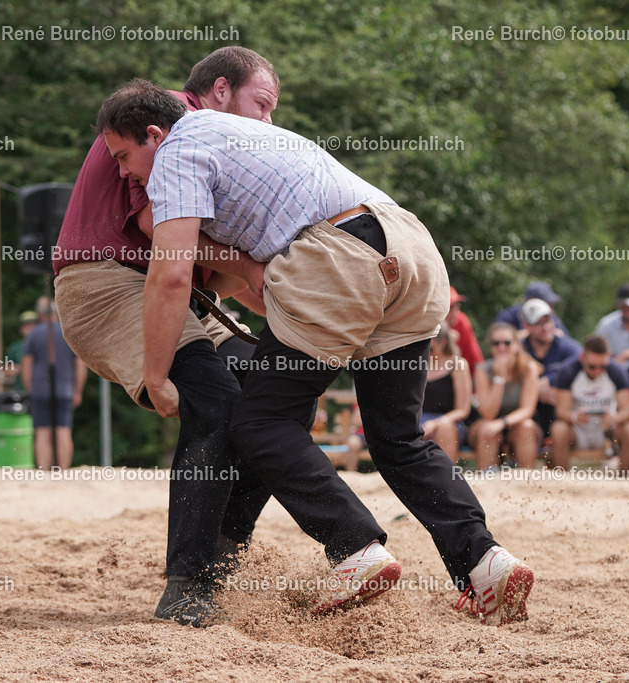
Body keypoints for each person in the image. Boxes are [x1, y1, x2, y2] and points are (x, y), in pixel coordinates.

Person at [97, 80, 534, 626]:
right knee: (396, 439)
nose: (121, 172)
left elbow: (170, 272)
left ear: (155, 134)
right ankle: (483, 561)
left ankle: (356, 549)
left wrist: (158, 375)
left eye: (122, 156)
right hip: (413, 249)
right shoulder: (248, 136)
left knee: (260, 422)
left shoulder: (179, 149)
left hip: (341, 255)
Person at [52, 47, 281, 626]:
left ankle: (222, 552)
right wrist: (249, 265)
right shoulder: (174, 121)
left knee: (276, 395)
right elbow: (159, 232)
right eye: (263, 105)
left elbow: (238, 280)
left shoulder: (213, 145)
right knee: (216, 401)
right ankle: (188, 584)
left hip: (172, 289)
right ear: (222, 91)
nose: (268, 123)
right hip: (107, 283)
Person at [550, 335, 629, 470]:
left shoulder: (617, 372)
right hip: (578, 430)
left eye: (603, 366)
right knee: (558, 429)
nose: (597, 371)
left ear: (609, 356)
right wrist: (575, 416)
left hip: (607, 431)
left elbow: (628, 410)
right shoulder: (567, 371)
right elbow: (561, 411)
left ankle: (625, 481)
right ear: (582, 357)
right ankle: (561, 480)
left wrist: (614, 418)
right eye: (592, 366)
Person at [21, 297, 88, 469]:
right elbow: (80, 364)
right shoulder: (69, 333)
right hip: (65, 388)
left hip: (40, 389)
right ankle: (63, 471)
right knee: (63, 430)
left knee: (42, 431)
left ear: (40, 314)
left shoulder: (33, 334)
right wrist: (78, 390)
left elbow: (27, 365)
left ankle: (44, 471)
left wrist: (30, 388)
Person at [467, 323, 541, 471]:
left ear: (516, 345)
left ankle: (528, 481)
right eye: (496, 343)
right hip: (489, 426)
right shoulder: (482, 370)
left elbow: (527, 410)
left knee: (526, 427)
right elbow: (488, 413)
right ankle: (487, 484)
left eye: (507, 343)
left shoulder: (529, 368)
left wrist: (501, 423)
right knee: (486, 429)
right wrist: (499, 379)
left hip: (516, 426)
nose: (501, 347)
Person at [519, 298, 581, 438]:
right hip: (528, 413)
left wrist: (551, 380)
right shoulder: (518, 349)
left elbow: (581, 367)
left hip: (560, 412)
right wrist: (535, 387)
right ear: (527, 326)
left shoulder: (570, 348)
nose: (545, 327)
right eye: (538, 323)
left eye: (547, 321)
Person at [420, 321, 472, 461]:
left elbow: (463, 410)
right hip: (418, 421)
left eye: (430, 349)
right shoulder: (413, 365)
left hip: (448, 421)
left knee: (445, 428)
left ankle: (446, 477)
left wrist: (436, 422)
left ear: (443, 343)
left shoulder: (458, 365)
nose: (426, 353)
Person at [495, 281, 571, 335]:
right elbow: (498, 339)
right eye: (546, 304)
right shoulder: (509, 316)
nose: (551, 308)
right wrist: (531, 333)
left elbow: (565, 337)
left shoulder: (550, 317)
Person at [446, 287, 484, 373]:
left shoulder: (461, 320)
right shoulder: (428, 324)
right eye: (450, 308)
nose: (454, 312)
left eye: (457, 306)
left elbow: (475, 358)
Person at [6, 310, 38, 392]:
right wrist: (18, 368)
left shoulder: (45, 345)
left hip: (41, 392)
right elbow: (7, 371)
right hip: (20, 392)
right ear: (21, 329)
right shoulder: (15, 347)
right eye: (26, 326)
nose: (30, 329)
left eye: (32, 325)